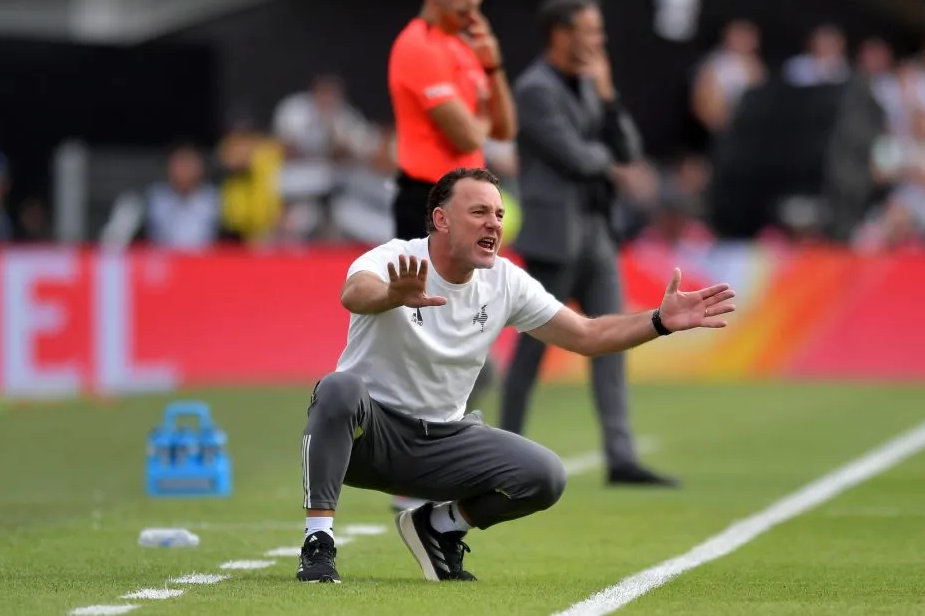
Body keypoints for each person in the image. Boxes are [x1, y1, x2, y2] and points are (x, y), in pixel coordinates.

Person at [295, 167, 736, 584]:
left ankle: (438, 527)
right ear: (440, 219)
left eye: (499, 214)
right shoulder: (396, 257)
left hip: (441, 445)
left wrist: (659, 320)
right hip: (366, 440)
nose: (494, 224)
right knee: (339, 388)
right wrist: (393, 294)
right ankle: (319, 541)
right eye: (480, 212)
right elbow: (354, 293)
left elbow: (586, 334)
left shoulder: (505, 281)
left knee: (544, 475)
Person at [500, 0, 678, 487]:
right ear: (561, 35)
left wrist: (609, 97)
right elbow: (577, 157)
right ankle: (503, 447)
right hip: (553, 237)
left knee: (614, 340)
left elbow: (629, 149)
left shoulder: (588, 85)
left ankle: (620, 457)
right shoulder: (535, 89)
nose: (600, 42)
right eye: (591, 32)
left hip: (596, 232)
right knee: (532, 350)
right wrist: (609, 160)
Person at [385, 0, 517, 510]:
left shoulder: (464, 49)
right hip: (426, 200)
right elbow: (466, 133)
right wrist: (481, 106)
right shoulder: (416, 47)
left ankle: (428, 465)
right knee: (420, 335)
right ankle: (407, 471)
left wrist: (492, 66)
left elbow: (502, 128)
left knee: (459, 334)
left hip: (462, 201)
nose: (472, 0)